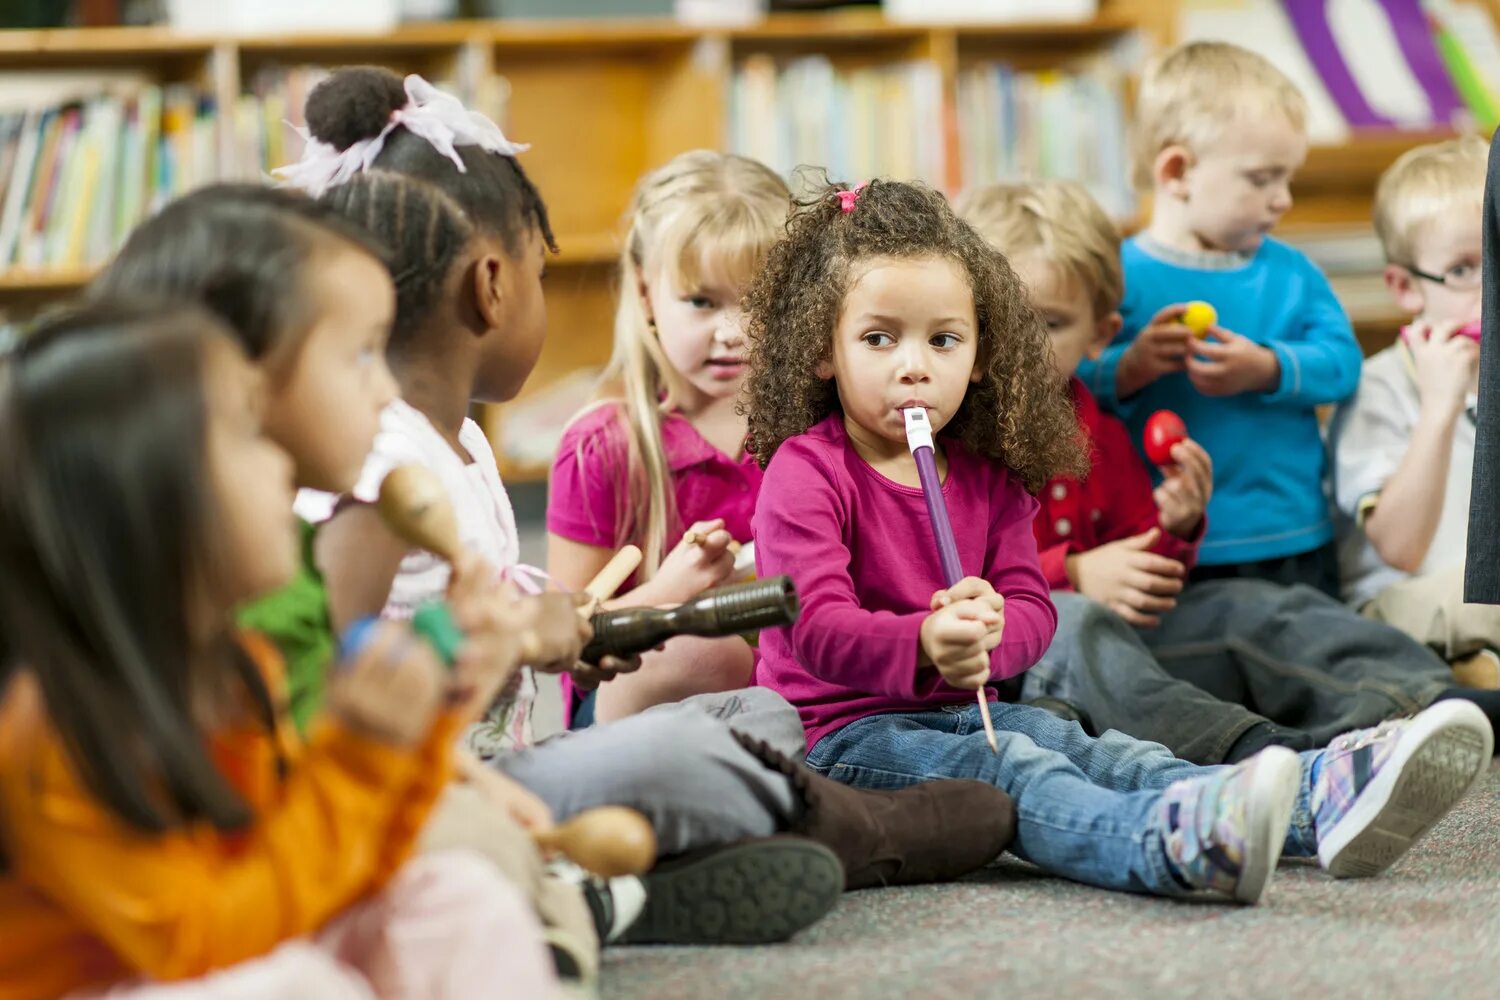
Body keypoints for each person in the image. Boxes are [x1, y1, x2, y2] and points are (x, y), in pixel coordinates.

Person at [282, 66, 1019, 938]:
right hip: (417, 807)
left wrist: (572, 626)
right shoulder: (384, 472)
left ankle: (616, 884)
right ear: (492, 285)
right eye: (540, 271)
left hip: (495, 772)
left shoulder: (463, 443)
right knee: (689, 751)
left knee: (755, 721)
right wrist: (528, 634)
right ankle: (843, 835)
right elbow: (322, 691)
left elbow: (488, 611)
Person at [744, 176, 1493, 905]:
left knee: (1106, 749)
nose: (914, 366)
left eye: (944, 340)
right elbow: (813, 628)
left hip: (961, 708)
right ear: (824, 350)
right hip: (843, 736)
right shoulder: (805, 474)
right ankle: (1167, 846)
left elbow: (1034, 609)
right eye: (878, 339)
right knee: (1015, 769)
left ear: (979, 357)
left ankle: (1309, 806)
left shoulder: (991, 474)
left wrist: (993, 635)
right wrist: (924, 642)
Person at [90, 184, 608, 982]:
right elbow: (218, 908)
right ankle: (577, 909)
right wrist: (395, 764)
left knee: (461, 899)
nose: (383, 386)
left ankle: (565, 907)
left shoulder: (276, 579)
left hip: (279, 883)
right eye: (361, 354)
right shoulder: (121, 671)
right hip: (188, 941)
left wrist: (442, 738)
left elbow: (320, 780)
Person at [0, 304, 557, 998]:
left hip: (224, 947)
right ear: (149, 498)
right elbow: (199, 941)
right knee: (289, 985)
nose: (284, 461)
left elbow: (323, 868)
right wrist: (359, 756)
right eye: (250, 435)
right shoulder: (55, 728)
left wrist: (423, 718)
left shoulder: (240, 666)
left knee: (452, 902)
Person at [961, 178, 1493, 763]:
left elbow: (1152, 573)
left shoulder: (1102, 434)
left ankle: (1432, 701)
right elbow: (943, 582)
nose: (1025, 344)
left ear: (1101, 336)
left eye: (1053, 324)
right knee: (1070, 621)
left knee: (1261, 607)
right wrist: (1075, 572)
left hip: (1135, 646)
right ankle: (1266, 755)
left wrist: (1177, 524)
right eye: (1005, 321)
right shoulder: (954, 436)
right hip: (1018, 661)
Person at [1076, 41, 1362, 598]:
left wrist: (1267, 367)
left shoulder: (1292, 272)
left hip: (1289, 536)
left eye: (1288, 179)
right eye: (1261, 179)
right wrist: (1127, 369)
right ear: (1178, 170)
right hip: (1167, 538)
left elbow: (1345, 364)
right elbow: (1066, 386)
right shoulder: (1117, 276)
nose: (1281, 200)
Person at [547, 150, 788, 724]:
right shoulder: (601, 445)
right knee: (696, 652)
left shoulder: (811, 427)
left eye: (758, 302)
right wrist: (672, 596)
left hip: (784, 691)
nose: (732, 333)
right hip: (631, 698)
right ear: (646, 291)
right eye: (701, 301)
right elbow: (566, 644)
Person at [1330, 136, 1500, 688]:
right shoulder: (1379, 386)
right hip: (1392, 609)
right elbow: (1400, 548)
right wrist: (1440, 405)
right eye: (1462, 270)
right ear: (1404, 287)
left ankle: (1472, 674)